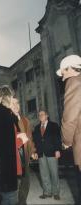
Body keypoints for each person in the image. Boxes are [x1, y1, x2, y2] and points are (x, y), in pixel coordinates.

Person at [56, 54, 81, 204]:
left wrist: (66, 140)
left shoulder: (74, 82)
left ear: (70, 68)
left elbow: (70, 117)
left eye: (63, 71)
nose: (63, 76)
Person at [11, 97, 36, 205]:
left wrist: (33, 151)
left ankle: (22, 202)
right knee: (15, 182)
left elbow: (30, 137)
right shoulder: (6, 119)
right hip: (13, 155)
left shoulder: (25, 120)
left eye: (17, 103)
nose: (16, 106)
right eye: (13, 104)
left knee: (26, 181)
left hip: (24, 154)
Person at [32, 110, 61, 200]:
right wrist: (36, 152)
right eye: (39, 115)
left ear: (47, 116)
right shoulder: (36, 128)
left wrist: (57, 150)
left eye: (42, 114)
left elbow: (57, 138)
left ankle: (56, 192)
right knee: (44, 174)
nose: (40, 116)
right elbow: (36, 141)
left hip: (52, 152)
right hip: (41, 153)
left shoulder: (54, 125)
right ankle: (47, 192)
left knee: (54, 173)